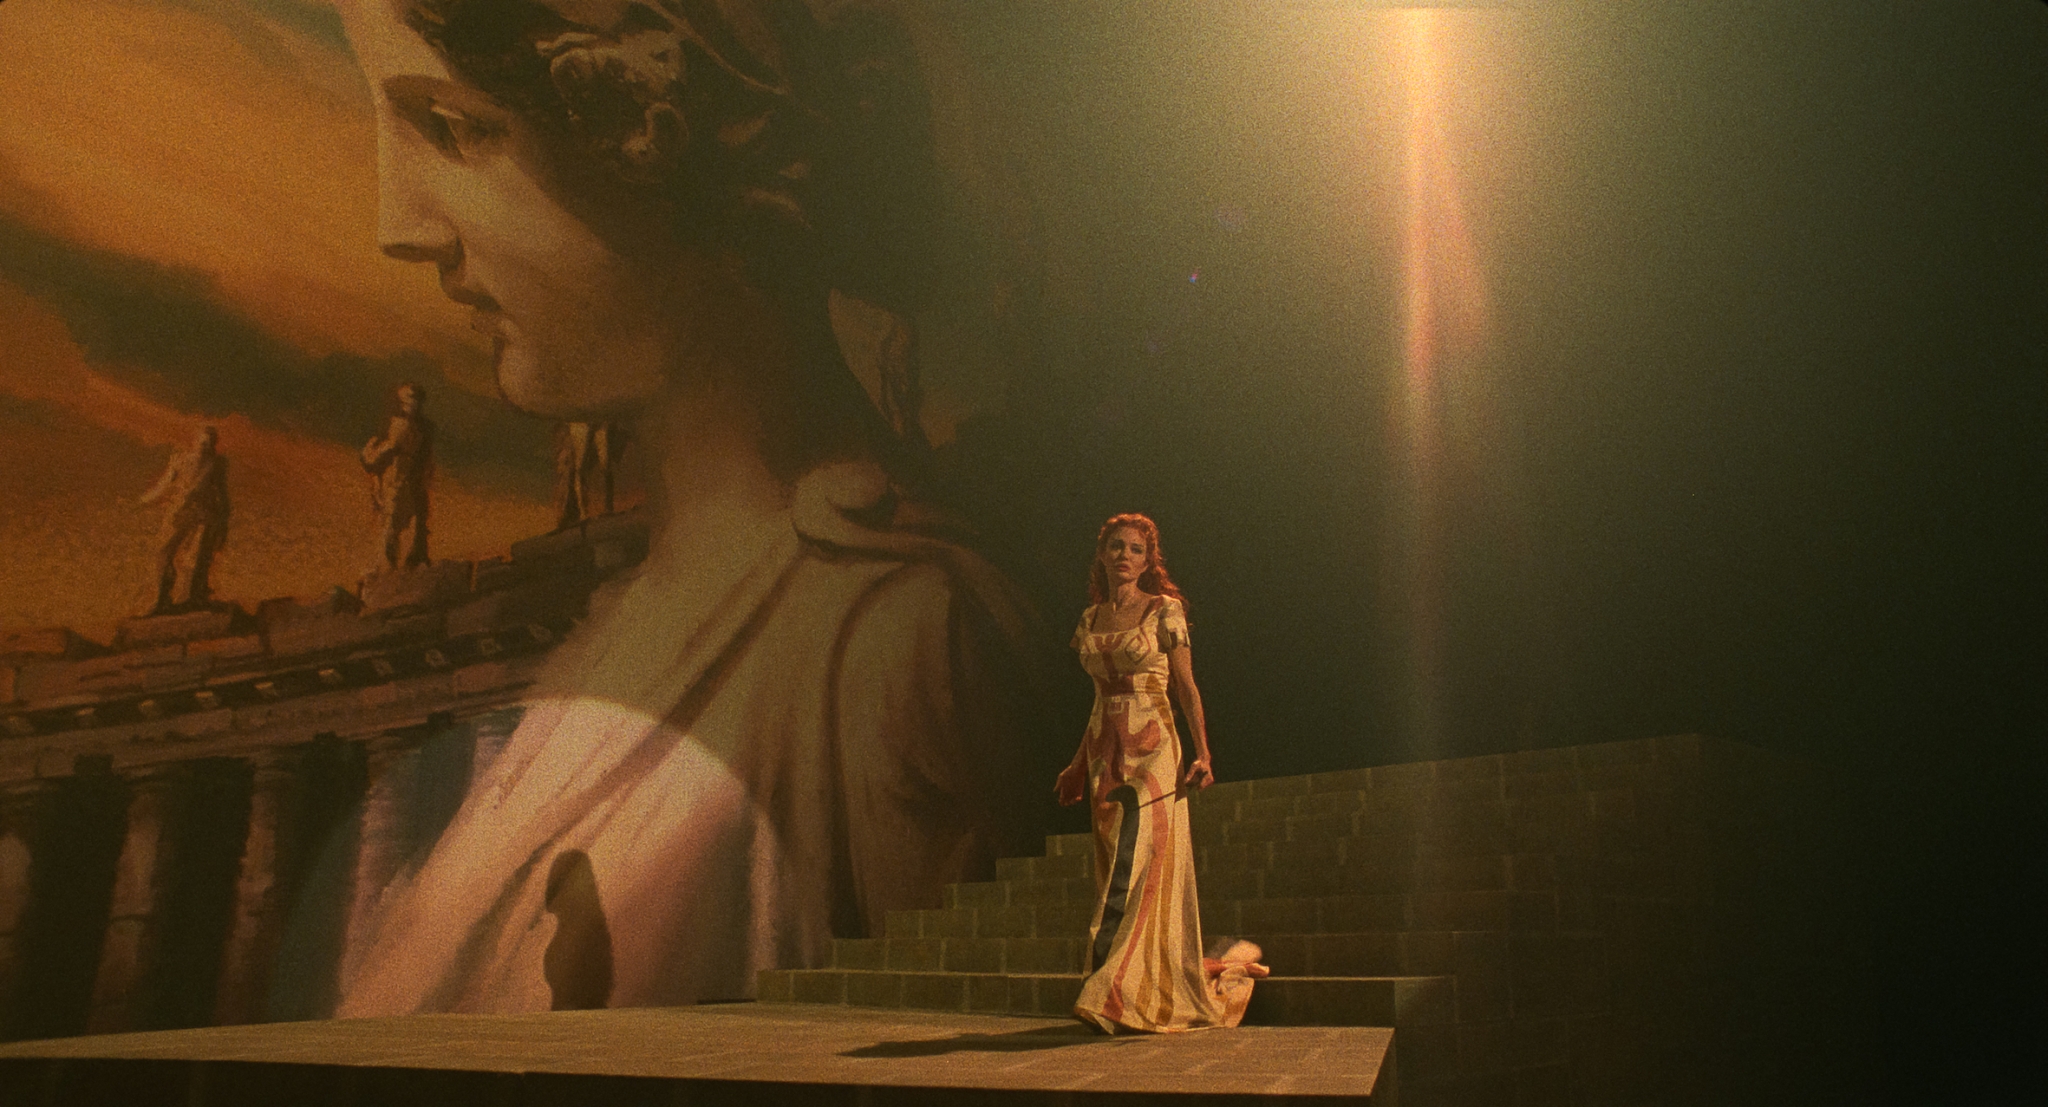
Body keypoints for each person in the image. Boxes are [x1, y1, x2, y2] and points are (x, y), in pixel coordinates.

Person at [328, 0, 1035, 1016]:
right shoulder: (616, 630)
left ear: (684, 139)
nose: (398, 227)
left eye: (457, 128)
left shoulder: (901, 647)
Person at [1056, 513, 1267, 1033]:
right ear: (1102, 554)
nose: (1124, 556)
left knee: (1136, 870)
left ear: (1149, 560)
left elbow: (1186, 688)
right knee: (1114, 871)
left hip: (1153, 749)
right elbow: (1098, 700)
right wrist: (1077, 765)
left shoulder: (1164, 610)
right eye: (1116, 546)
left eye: (1135, 549)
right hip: (1106, 754)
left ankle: (1110, 994)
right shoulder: (1090, 619)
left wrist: (1204, 753)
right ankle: (1141, 984)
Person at [137, 425, 229, 614]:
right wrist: (143, 500)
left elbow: (222, 493)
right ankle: (161, 599)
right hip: (180, 511)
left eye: (209, 442)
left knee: (197, 557)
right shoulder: (180, 459)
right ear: (195, 441)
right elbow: (164, 484)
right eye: (202, 441)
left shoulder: (216, 464)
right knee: (163, 552)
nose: (205, 445)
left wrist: (223, 519)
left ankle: (193, 598)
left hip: (204, 513)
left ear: (213, 445)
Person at [360, 382, 435, 569]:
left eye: (415, 399)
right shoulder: (398, 425)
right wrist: (370, 455)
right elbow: (380, 454)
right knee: (392, 524)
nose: (412, 403)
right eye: (408, 399)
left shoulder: (424, 428)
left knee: (415, 523)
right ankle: (386, 568)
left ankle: (413, 563)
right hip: (396, 481)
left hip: (413, 482)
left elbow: (426, 458)